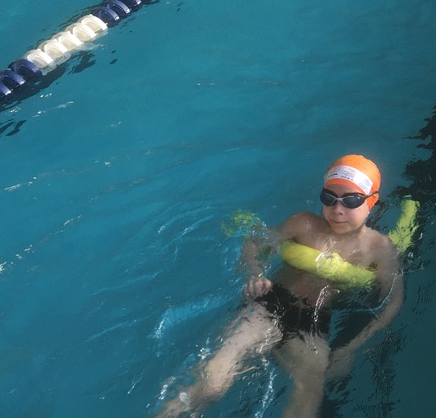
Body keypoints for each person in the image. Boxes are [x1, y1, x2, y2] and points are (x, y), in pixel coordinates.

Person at [157, 155, 403, 418]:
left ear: (371, 201)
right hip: (271, 303)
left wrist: (351, 348)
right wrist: (255, 274)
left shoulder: (379, 250)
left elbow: (393, 301)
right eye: (329, 198)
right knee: (212, 385)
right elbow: (255, 243)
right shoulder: (305, 223)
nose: (338, 209)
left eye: (351, 200)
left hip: (313, 323)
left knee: (308, 399)